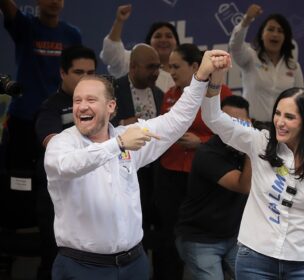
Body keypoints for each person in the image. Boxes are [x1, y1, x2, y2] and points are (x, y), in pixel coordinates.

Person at [43, 49, 231, 280]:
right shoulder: (62, 143)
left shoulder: (128, 136)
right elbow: (68, 166)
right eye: (77, 101)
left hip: (134, 265)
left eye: (91, 100)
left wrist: (200, 76)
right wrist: (118, 145)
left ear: (111, 107)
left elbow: (176, 120)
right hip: (83, 267)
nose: (82, 107)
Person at [201, 69, 304, 278]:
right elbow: (213, 118)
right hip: (255, 259)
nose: (280, 122)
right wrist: (213, 83)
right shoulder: (260, 141)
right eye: (277, 113)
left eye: (289, 117)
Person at [154, 43, 232, 280]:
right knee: (166, 233)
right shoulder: (170, 94)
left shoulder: (221, 92)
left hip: (202, 176)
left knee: (196, 235)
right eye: (169, 67)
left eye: (177, 66)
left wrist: (202, 142)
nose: (172, 72)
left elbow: (230, 134)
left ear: (196, 66)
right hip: (169, 171)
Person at [0, 0, 81, 227]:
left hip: (58, 120)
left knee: (59, 179)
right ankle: (15, 232)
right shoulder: (25, 27)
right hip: (23, 118)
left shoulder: (72, 34)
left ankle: (57, 230)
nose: (54, 2)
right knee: (18, 180)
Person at [34, 45, 97, 280]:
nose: (86, 79)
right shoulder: (50, 107)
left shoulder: (101, 106)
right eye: (79, 72)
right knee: (54, 262)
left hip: (91, 196)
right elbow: (54, 147)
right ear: (63, 73)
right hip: (57, 200)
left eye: (91, 73)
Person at [175, 95, 251, 280]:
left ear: (249, 123)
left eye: (240, 123)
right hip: (200, 239)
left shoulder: (245, 150)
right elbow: (243, 186)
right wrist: (252, 146)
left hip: (234, 237)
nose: (234, 129)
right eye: (228, 123)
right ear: (217, 123)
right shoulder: (208, 154)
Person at [111, 43, 164, 275]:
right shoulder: (112, 89)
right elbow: (99, 126)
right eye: (151, 67)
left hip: (157, 172)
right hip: (126, 170)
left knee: (159, 228)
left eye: (158, 67)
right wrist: (123, 124)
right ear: (133, 67)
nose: (156, 72)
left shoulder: (160, 93)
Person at [229, 3, 304, 123]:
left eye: (280, 31)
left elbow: (301, 101)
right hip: (250, 126)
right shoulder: (251, 57)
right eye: (270, 29)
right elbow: (235, 46)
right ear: (262, 35)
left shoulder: (293, 67)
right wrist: (246, 20)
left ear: (286, 38)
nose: (275, 34)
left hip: (280, 129)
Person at [100, 4, 177, 93]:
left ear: (177, 43)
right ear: (148, 43)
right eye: (158, 36)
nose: (163, 40)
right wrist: (119, 21)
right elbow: (111, 56)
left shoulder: (184, 72)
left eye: (169, 36)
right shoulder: (134, 60)